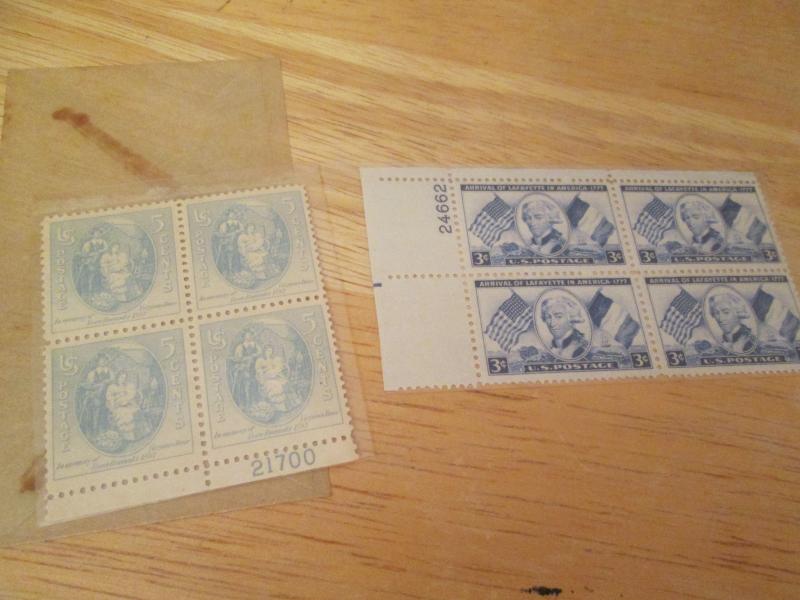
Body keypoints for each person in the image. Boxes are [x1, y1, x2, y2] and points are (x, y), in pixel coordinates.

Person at [541, 294, 589, 360]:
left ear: (572, 318)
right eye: (548, 317)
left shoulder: (581, 349)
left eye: (559, 317)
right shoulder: (549, 348)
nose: (552, 323)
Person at [77, 353, 114, 436]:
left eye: (105, 360)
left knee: (107, 409)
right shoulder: (93, 373)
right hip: (96, 395)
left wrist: (107, 383)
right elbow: (90, 385)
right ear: (98, 361)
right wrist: (101, 385)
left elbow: (113, 384)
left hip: (107, 396)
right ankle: (94, 430)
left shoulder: (110, 372)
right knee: (96, 406)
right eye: (101, 360)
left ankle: (105, 430)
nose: (103, 361)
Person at [105, 370, 146, 441]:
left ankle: (139, 434)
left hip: (127, 404)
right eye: (121, 377)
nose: (123, 380)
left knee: (135, 410)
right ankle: (127, 437)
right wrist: (115, 403)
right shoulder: (112, 387)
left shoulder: (127, 386)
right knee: (124, 413)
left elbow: (131, 395)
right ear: (118, 377)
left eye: (124, 378)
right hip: (116, 405)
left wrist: (126, 400)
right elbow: (109, 397)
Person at [230, 330, 262, 408]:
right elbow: (238, 358)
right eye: (247, 335)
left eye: (250, 335)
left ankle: (254, 402)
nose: (249, 337)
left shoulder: (255, 345)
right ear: (244, 337)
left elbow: (260, 352)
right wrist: (246, 359)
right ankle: (244, 403)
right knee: (244, 383)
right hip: (243, 368)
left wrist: (254, 355)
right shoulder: (240, 347)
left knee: (254, 383)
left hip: (253, 368)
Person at [74, 227, 108, 296]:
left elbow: (106, 249)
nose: (97, 234)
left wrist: (100, 252)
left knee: (100, 276)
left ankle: (98, 291)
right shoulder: (89, 243)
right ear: (93, 234)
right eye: (96, 233)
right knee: (88, 275)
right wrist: (91, 255)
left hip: (100, 261)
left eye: (99, 233)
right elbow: (85, 253)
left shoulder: (103, 242)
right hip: (91, 261)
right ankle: (87, 291)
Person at [254, 344, 289, 411]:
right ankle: (274, 407)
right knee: (271, 385)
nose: (269, 352)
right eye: (267, 351)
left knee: (278, 384)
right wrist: (265, 370)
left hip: (274, 377)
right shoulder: (261, 360)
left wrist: (275, 371)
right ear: (264, 351)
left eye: (270, 351)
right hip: (266, 379)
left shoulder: (273, 360)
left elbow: (278, 369)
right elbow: (258, 371)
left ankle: (280, 407)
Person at [213, 210, 244, 276]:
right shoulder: (224, 224)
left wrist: (237, 232)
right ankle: (226, 270)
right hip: (227, 242)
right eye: (231, 214)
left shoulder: (238, 223)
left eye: (234, 214)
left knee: (236, 256)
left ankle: (235, 271)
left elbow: (242, 230)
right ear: (228, 216)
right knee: (225, 256)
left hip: (236, 243)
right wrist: (230, 235)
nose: (232, 216)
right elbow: (222, 234)